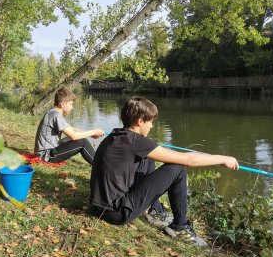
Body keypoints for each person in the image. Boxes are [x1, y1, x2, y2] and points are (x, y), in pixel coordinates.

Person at [89, 96, 239, 246]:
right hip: (117, 212)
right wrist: (222, 158)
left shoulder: (118, 135)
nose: (152, 126)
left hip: (99, 207)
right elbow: (188, 160)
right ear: (140, 121)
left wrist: (202, 157)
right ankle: (180, 227)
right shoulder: (136, 142)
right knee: (177, 170)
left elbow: (175, 156)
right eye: (151, 121)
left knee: (150, 158)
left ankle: (156, 210)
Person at [34, 88, 105, 165]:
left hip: (45, 152)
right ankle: (100, 166)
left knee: (79, 138)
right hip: (46, 156)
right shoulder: (56, 116)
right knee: (82, 142)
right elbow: (73, 136)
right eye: (70, 104)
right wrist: (93, 132)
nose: (72, 107)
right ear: (62, 104)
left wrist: (91, 134)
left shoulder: (53, 112)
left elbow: (71, 129)